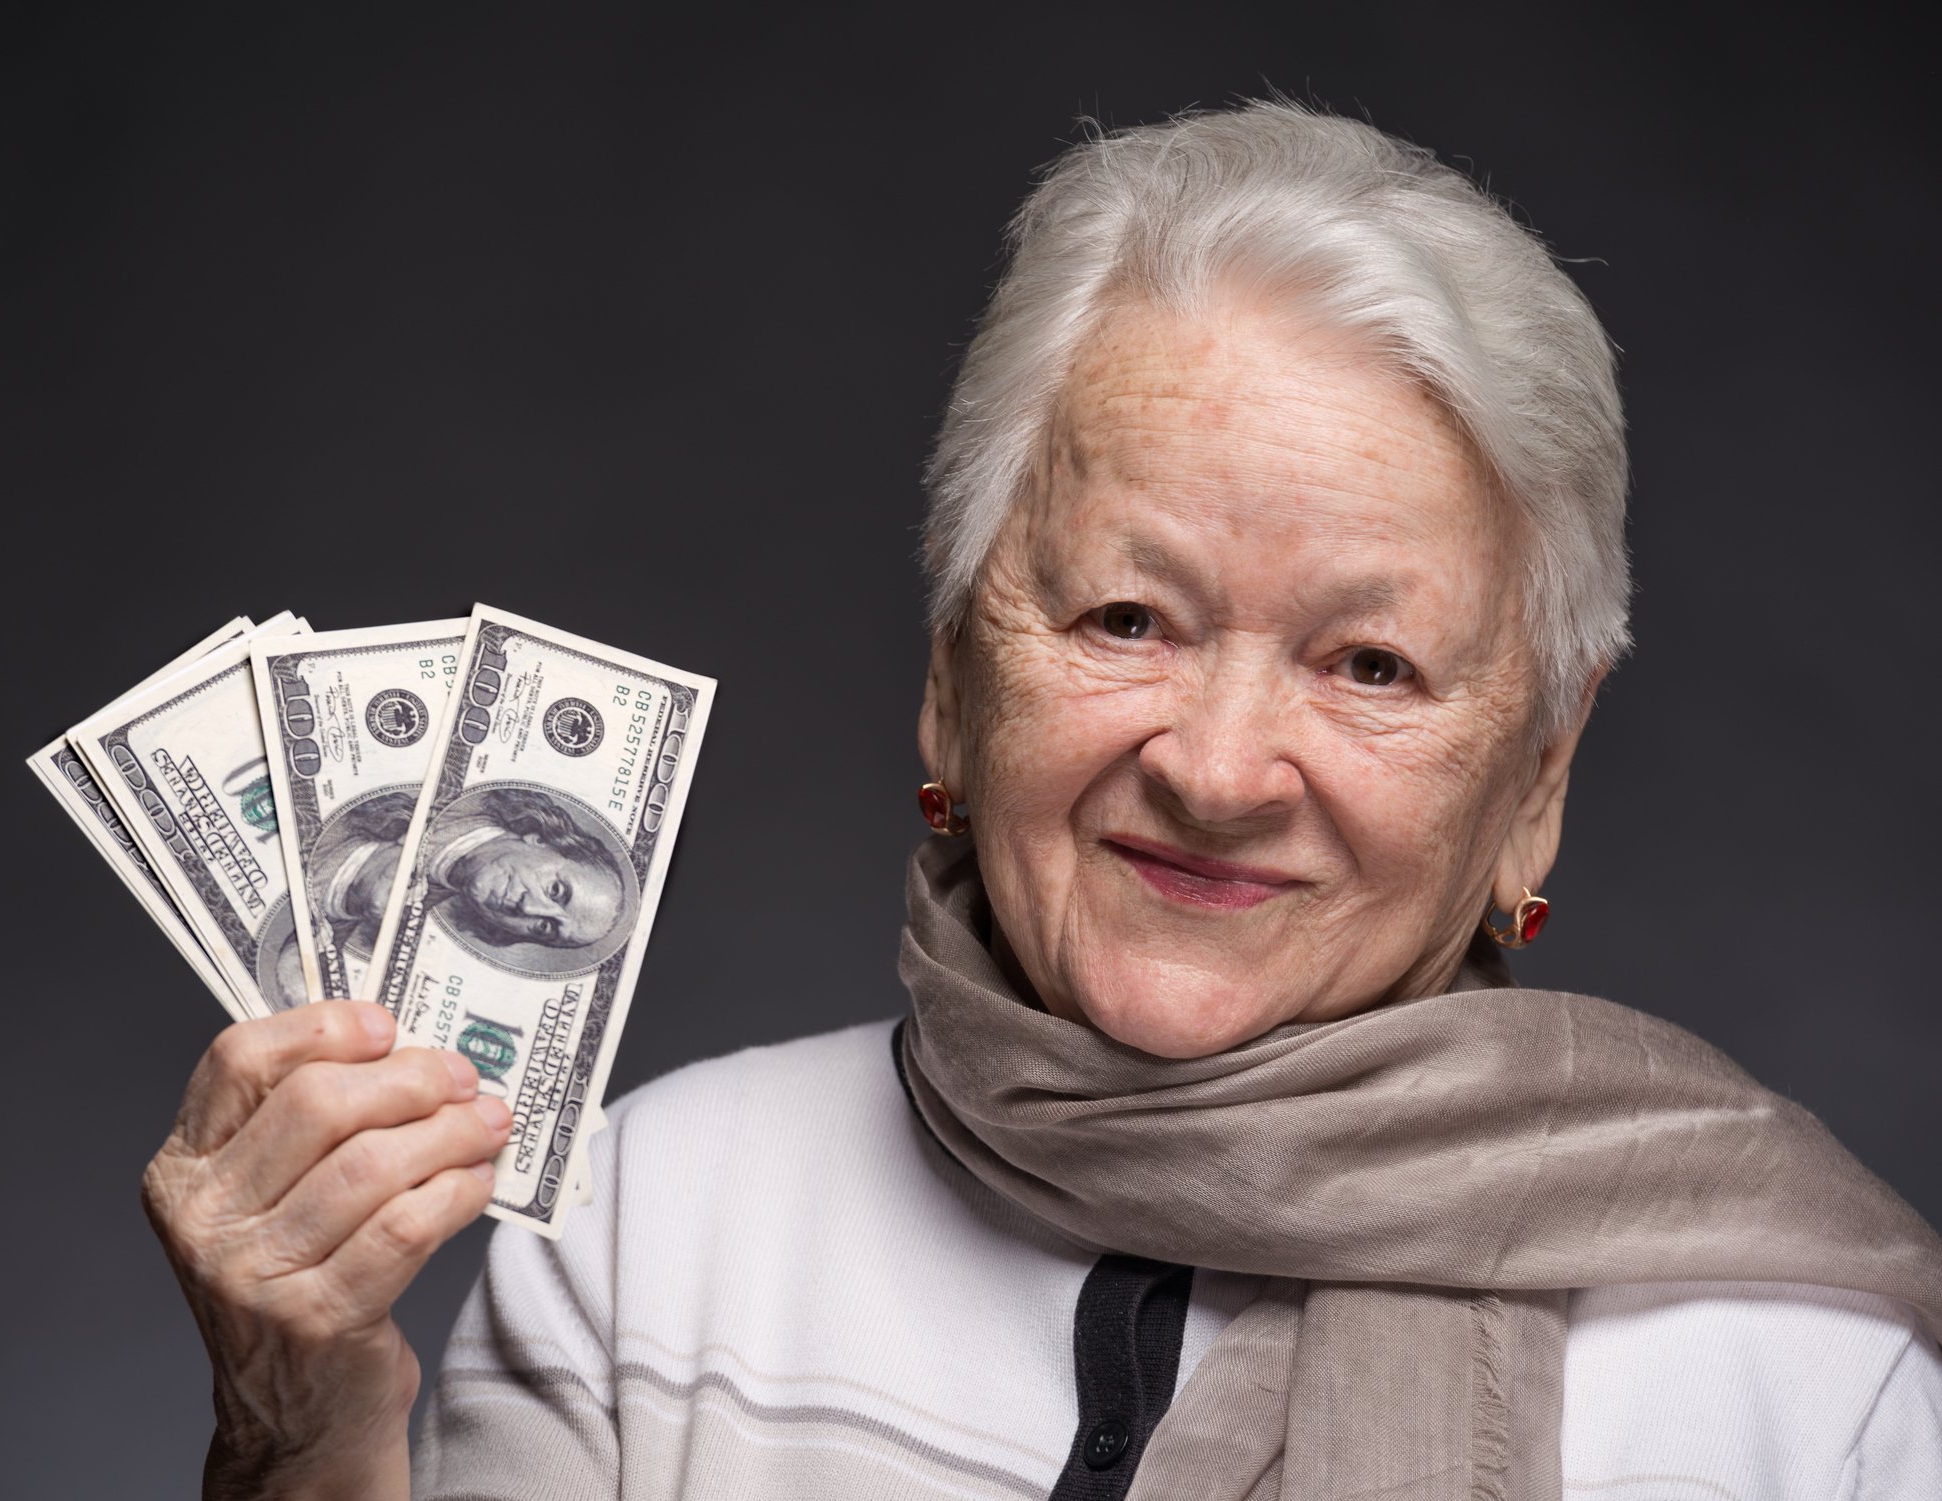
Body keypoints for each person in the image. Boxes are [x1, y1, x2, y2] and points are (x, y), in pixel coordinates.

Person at [142, 101, 1942, 1501]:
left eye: (1369, 666)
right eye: (1126, 617)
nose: (1220, 771)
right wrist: (300, 1439)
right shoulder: (655, 1226)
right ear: (952, 669)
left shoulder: (1804, 1378)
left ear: (1535, 779)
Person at [305, 785, 635, 962]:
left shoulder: (395, 923)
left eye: (546, 928)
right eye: (555, 891)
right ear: (540, 840)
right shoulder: (451, 799)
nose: (529, 908)